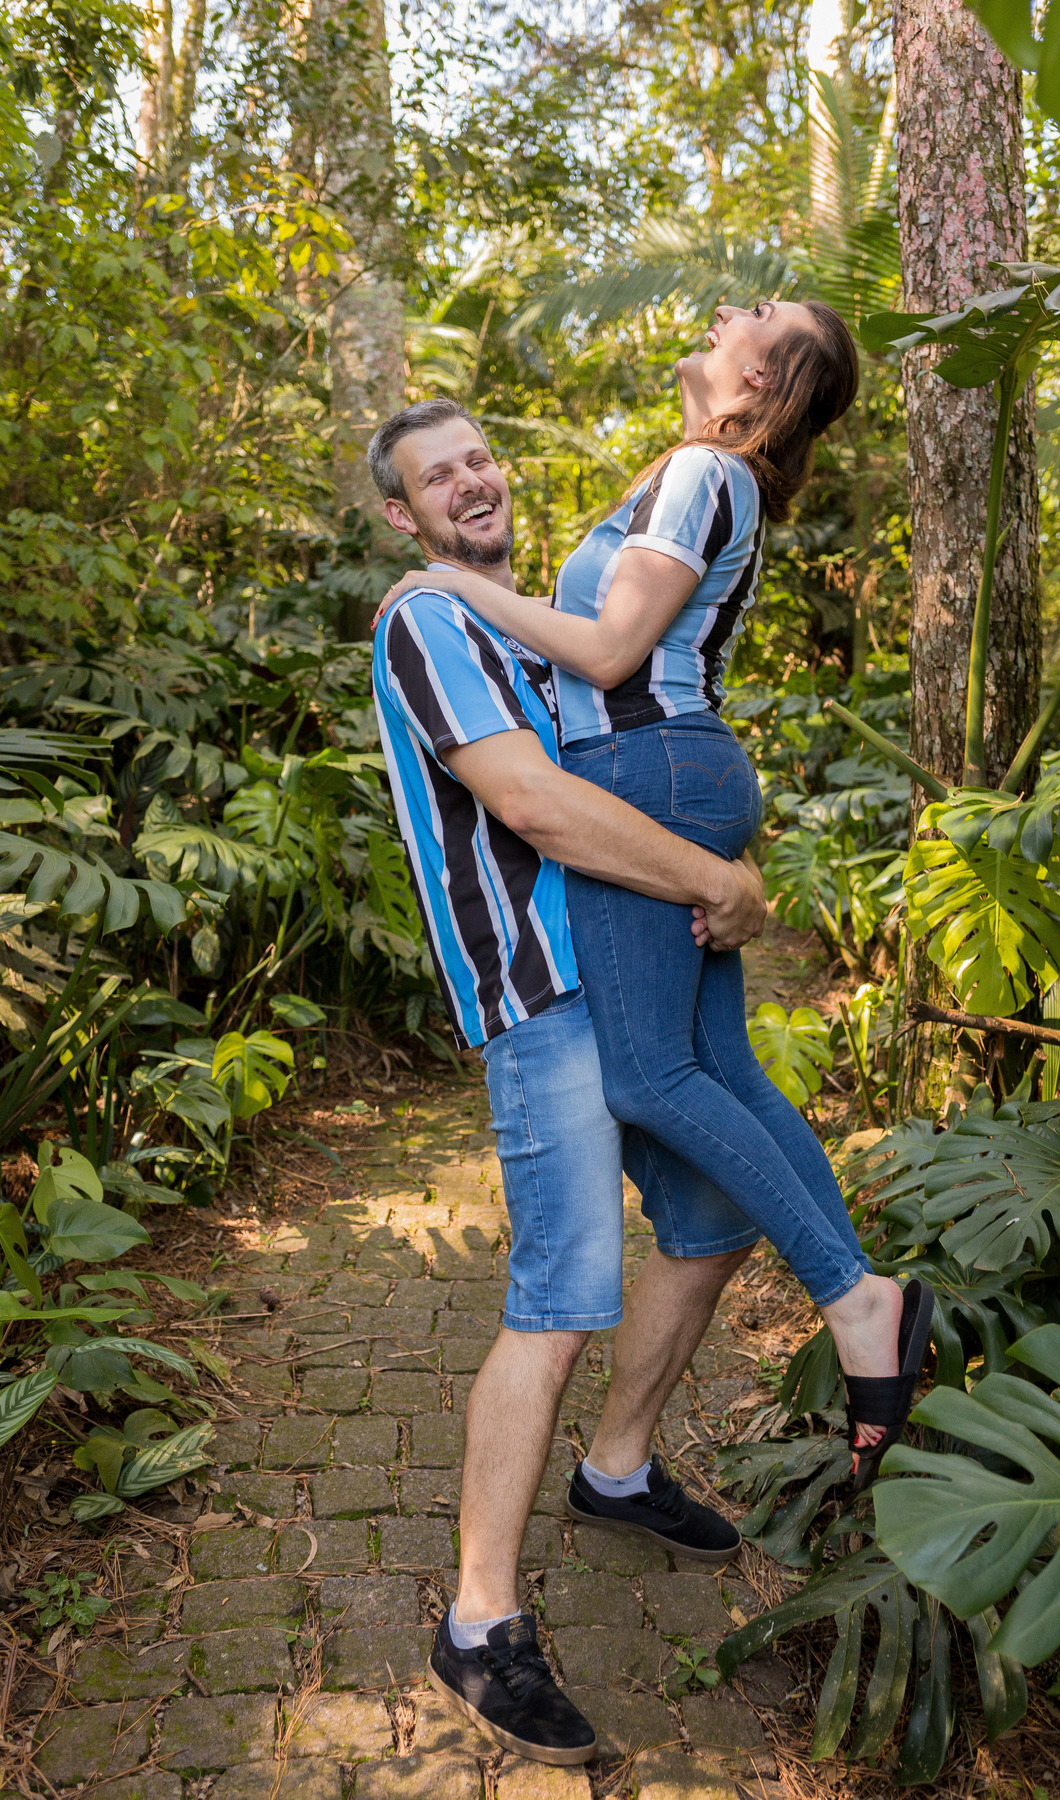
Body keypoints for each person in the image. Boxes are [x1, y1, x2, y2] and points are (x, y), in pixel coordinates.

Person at [381, 305, 934, 1494]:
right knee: (718, 1065)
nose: (729, 312)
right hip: (677, 766)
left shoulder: (700, 471)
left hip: (650, 766)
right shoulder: (697, 472)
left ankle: (852, 1299)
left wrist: (446, 586)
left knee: (645, 1076)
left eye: (756, 317)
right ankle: (857, 1299)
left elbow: (605, 653)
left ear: (762, 379)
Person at [368, 397, 773, 1767]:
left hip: (640, 976)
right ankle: (479, 1625)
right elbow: (534, 805)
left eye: (479, 459)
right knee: (560, 1295)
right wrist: (715, 878)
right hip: (545, 997)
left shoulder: (533, 617)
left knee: (716, 1215)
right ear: (404, 516)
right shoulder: (428, 622)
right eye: (438, 478)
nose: (470, 483)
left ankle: (618, 1469)